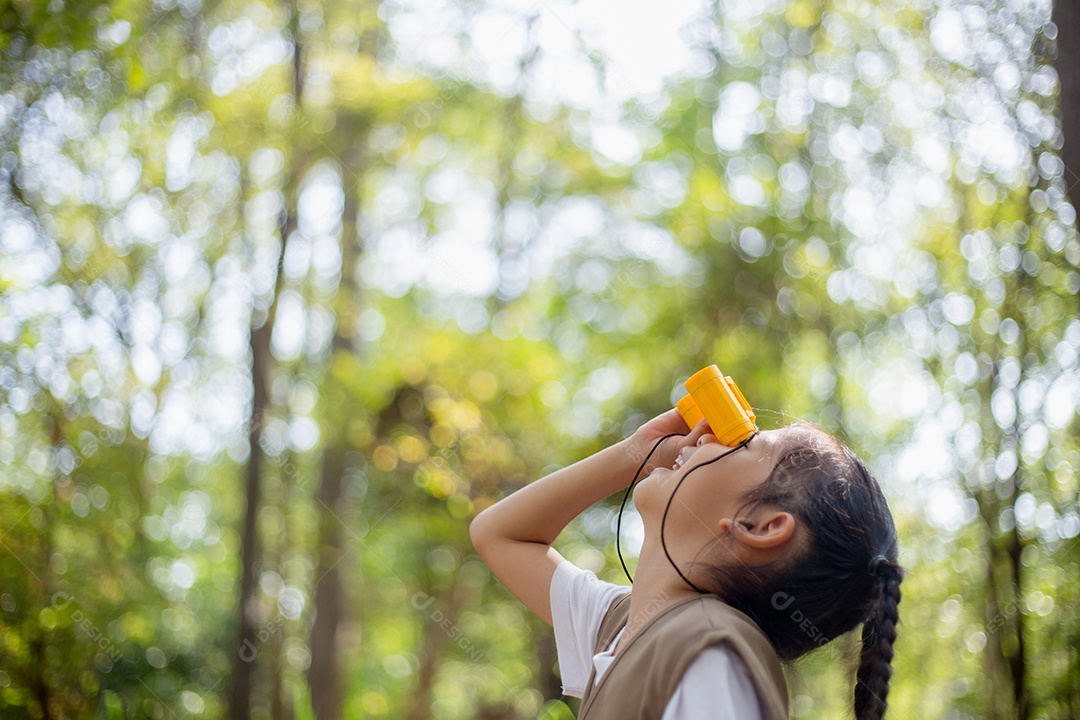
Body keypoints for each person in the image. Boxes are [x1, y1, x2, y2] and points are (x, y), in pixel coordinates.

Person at [469, 407, 903, 720]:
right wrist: (632, 454)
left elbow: (502, 536)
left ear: (760, 525)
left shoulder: (712, 655)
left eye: (745, 441)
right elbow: (499, 534)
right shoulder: (622, 628)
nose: (704, 433)